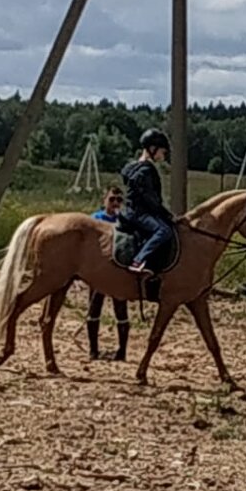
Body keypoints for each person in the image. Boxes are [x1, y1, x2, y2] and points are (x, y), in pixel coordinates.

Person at [120, 128, 175, 275]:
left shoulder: (135, 167)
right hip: (139, 213)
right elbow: (150, 199)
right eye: (163, 152)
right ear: (152, 149)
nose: (164, 155)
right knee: (164, 231)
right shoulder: (145, 171)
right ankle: (138, 260)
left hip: (135, 210)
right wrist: (165, 214)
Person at [86, 187, 130, 361]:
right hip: (98, 271)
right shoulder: (95, 219)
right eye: (112, 199)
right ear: (104, 200)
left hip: (118, 271)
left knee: (121, 310)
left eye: (119, 200)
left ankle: (122, 350)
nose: (115, 204)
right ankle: (93, 350)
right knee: (94, 309)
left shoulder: (123, 220)